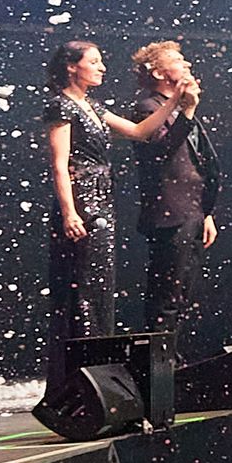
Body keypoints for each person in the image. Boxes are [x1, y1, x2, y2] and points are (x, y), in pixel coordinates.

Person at [40, 38, 181, 415]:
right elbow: (59, 164)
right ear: (72, 67)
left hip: (103, 200)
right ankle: (76, 386)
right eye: (95, 62)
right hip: (83, 201)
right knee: (83, 288)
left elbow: (139, 132)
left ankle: (97, 379)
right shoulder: (62, 106)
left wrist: (174, 102)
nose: (102, 68)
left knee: (101, 286)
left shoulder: (94, 106)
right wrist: (69, 212)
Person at [128, 40, 218, 360]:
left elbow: (198, 165)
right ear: (158, 72)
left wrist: (205, 212)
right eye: (179, 61)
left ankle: (170, 360)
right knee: (166, 295)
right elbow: (160, 151)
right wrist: (189, 110)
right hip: (169, 214)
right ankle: (160, 367)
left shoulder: (180, 110)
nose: (188, 65)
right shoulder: (147, 107)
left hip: (190, 212)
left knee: (180, 294)